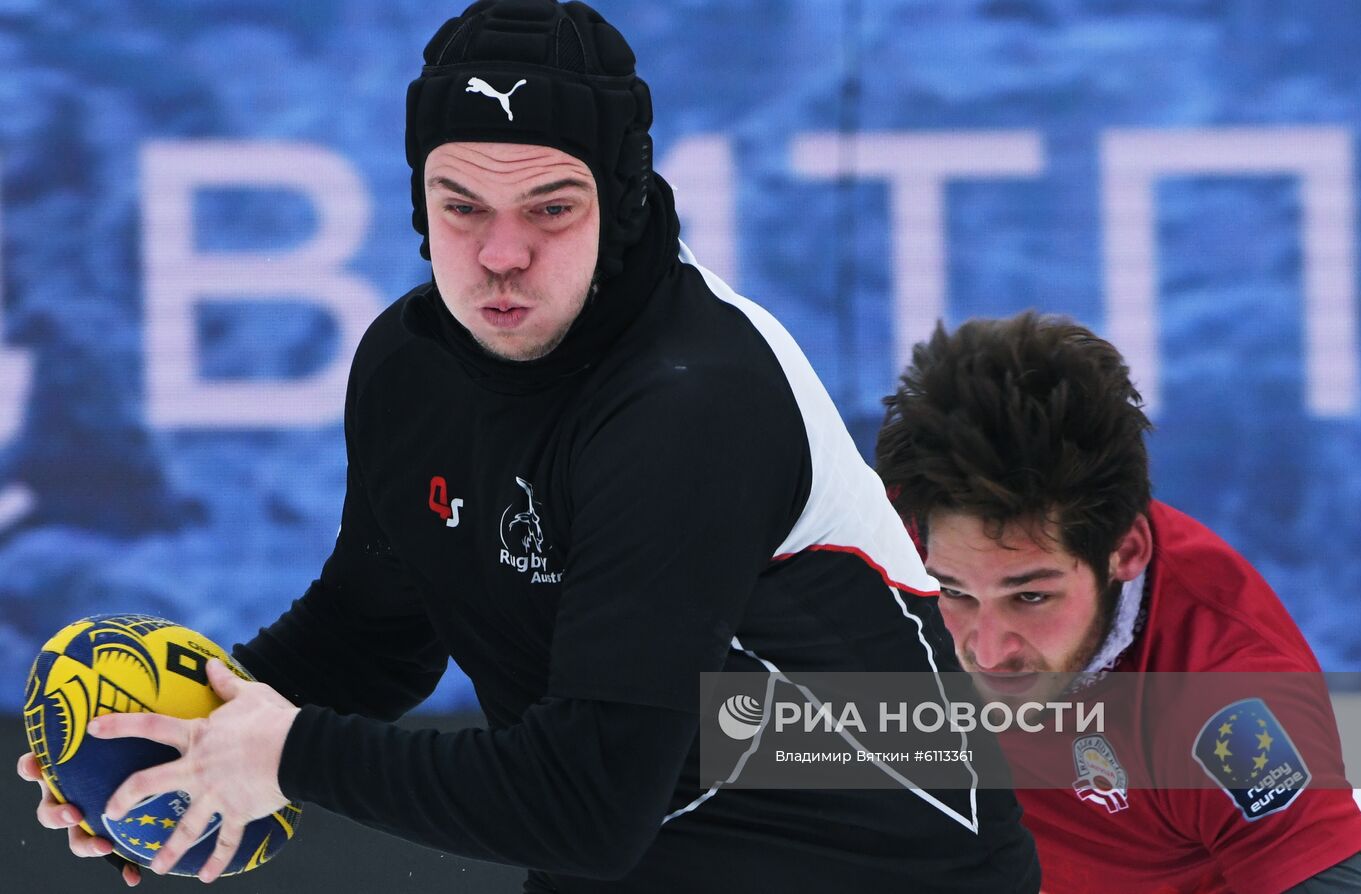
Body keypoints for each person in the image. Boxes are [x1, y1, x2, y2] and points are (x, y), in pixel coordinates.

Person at [18, 2, 1041, 891]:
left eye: (550, 208)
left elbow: (582, 805)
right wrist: (182, 755)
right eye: (460, 207)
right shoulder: (411, 362)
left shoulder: (691, 402)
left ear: (623, 200)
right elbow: (377, 633)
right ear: (418, 203)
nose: (499, 256)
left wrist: (286, 755)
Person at [875, 311, 1361, 894]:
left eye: (1030, 596)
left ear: (1125, 550)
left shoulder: (1221, 698)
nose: (988, 651)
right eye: (953, 591)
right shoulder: (881, 536)